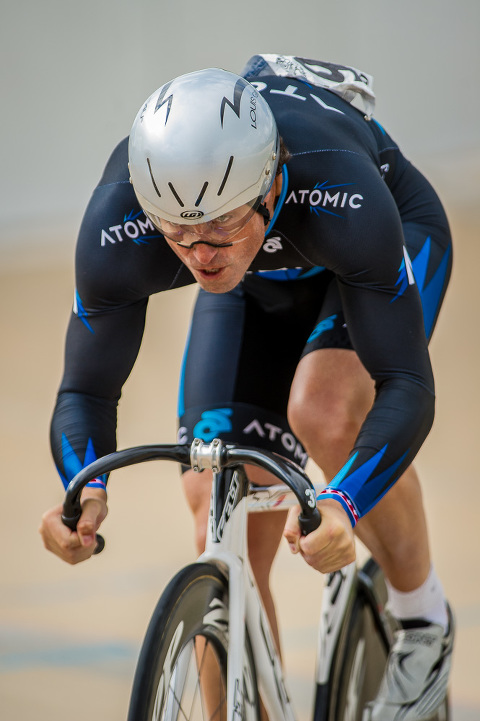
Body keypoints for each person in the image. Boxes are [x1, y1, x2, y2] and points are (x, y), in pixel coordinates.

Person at [40, 55, 454, 720]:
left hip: (377, 241)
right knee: (210, 498)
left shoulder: (338, 190)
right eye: (179, 234)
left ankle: (422, 623)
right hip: (259, 286)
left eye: (223, 227)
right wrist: (82, 488)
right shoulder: (121, 218)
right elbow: (85, 390)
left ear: (270, 185)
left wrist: (343, 501)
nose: (203, 252)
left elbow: (406, 384)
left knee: (322, 408)